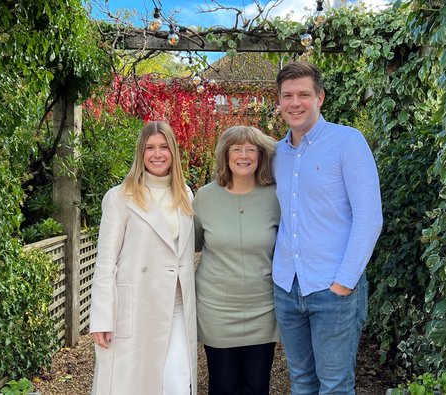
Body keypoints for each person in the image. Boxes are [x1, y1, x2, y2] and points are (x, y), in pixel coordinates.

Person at [272, 61, 383, 395]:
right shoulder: (276, 153)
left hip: (334, 287)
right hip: (287, 287)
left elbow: (369, 217)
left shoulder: (347, 142)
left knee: (335, 385)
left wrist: (344, 283)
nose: (295, 102)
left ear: (319, 97)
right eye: (287, 95)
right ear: (278, 102)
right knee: (302, 381)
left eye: (303, 94)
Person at [89, 121, 197, 395]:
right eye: (150, 148)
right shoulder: (119, 197)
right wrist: (102, 318)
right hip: (135, 306)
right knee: (133, 384)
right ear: (141, 153)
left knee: (177, 384)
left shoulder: (185, 195)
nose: (157, 154)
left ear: (173, 152)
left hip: (177, 307)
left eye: (163, 147)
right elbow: (105, 262)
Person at [193, 125, 280, 395]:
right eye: (237, 149)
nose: (244, 156)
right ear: (225, 155)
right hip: (216, 308)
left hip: (262, 309)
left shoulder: (276, 196)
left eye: (251, 149)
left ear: (260, 155)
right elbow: (190, 245)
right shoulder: (204, 197)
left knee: (256, 386)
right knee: (223, 385)